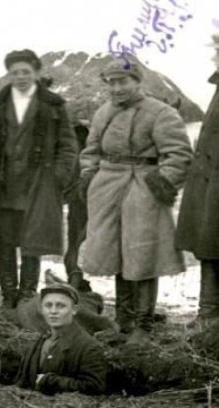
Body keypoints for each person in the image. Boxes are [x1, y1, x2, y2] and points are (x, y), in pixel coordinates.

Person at [80, 58, 192, 345]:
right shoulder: (103, 113)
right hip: (107, 186)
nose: (116, 88)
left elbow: (179, 154)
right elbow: (90, 150)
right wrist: (90, 176)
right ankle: (124, 322)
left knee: (142, 254)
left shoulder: (160, 113)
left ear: (137, 81)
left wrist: (160, 183)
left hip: (143, 188)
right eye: (112, 82)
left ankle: (143, 325)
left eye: (123, 81)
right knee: (114, 253)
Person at [0, 49, 77, 309]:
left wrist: (57, 177)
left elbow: (68, 146)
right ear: (9, 75)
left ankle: (27, 296)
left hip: (37, 185)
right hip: (1, 185)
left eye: (26, 72)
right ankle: (9, 296)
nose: (20, 77)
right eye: (15, 72)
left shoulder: (53, 105)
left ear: (37, 73)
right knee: (3, 241)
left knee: (32, 241)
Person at [175, 32, 219, 328]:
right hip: (208, 182)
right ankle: (207, 313)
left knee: (213, 244)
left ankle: (209, 315)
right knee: (209, 247)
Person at [16, 283, 107, 395]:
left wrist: (51, 381)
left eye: (60, 306)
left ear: (74, 310)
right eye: (48, 305)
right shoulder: (40, 342)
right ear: (42, 309)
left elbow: (94, 386)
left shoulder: (88, 347)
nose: (53, 311)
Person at [63, 119, 91, 289]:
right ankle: (75, 279)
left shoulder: (72, 156)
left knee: (75, 243)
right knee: (77, 243)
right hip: (83, 202)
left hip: (79, 201)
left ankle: (75, 278)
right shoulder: (84, 156)